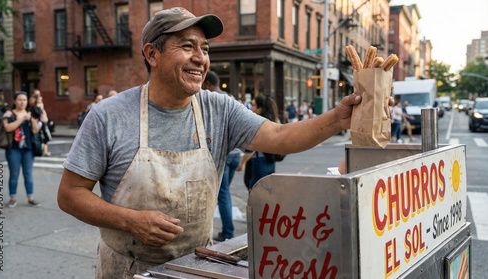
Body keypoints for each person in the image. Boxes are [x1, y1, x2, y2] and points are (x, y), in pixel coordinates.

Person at [57, 7, 385, 278]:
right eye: (187, 46)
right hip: (125, 269)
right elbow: (70, 195)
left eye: (205, 49)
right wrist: (130, 221)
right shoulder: (108, 116)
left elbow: (280, 137)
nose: (201, 58)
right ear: (152, 54)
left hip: (195, 266)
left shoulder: (220, 108)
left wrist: (336, 119)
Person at [202, 70, 241, 242]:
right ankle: (227, 231)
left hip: (223, 154)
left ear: (208, 84)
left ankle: (228, 233)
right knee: (224, 193)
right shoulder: (231, 98)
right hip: (236, 154)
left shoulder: (210, 99)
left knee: (222, 194)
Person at [3, 91, 41, 208]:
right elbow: (8, 128)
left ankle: (31, 197)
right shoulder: (8, 114)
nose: (22, 102)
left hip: (28, 149)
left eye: (24, 100)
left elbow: (35, 131)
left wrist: (33, 121)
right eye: (19, 100)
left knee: (28, 174)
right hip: (13, 149)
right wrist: (22, 119)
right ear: (15, 101)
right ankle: (13, 198)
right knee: (14, 174)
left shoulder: (30, 114)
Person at [237, 95, 280, 190]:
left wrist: (243, 162)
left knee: (256, 191)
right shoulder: (272, 120)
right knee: (266, 191)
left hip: (259, 161)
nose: (251, 108)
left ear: (260, 108)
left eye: (253, 105)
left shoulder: (259, 124)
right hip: (270, 160)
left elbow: (253, 147)